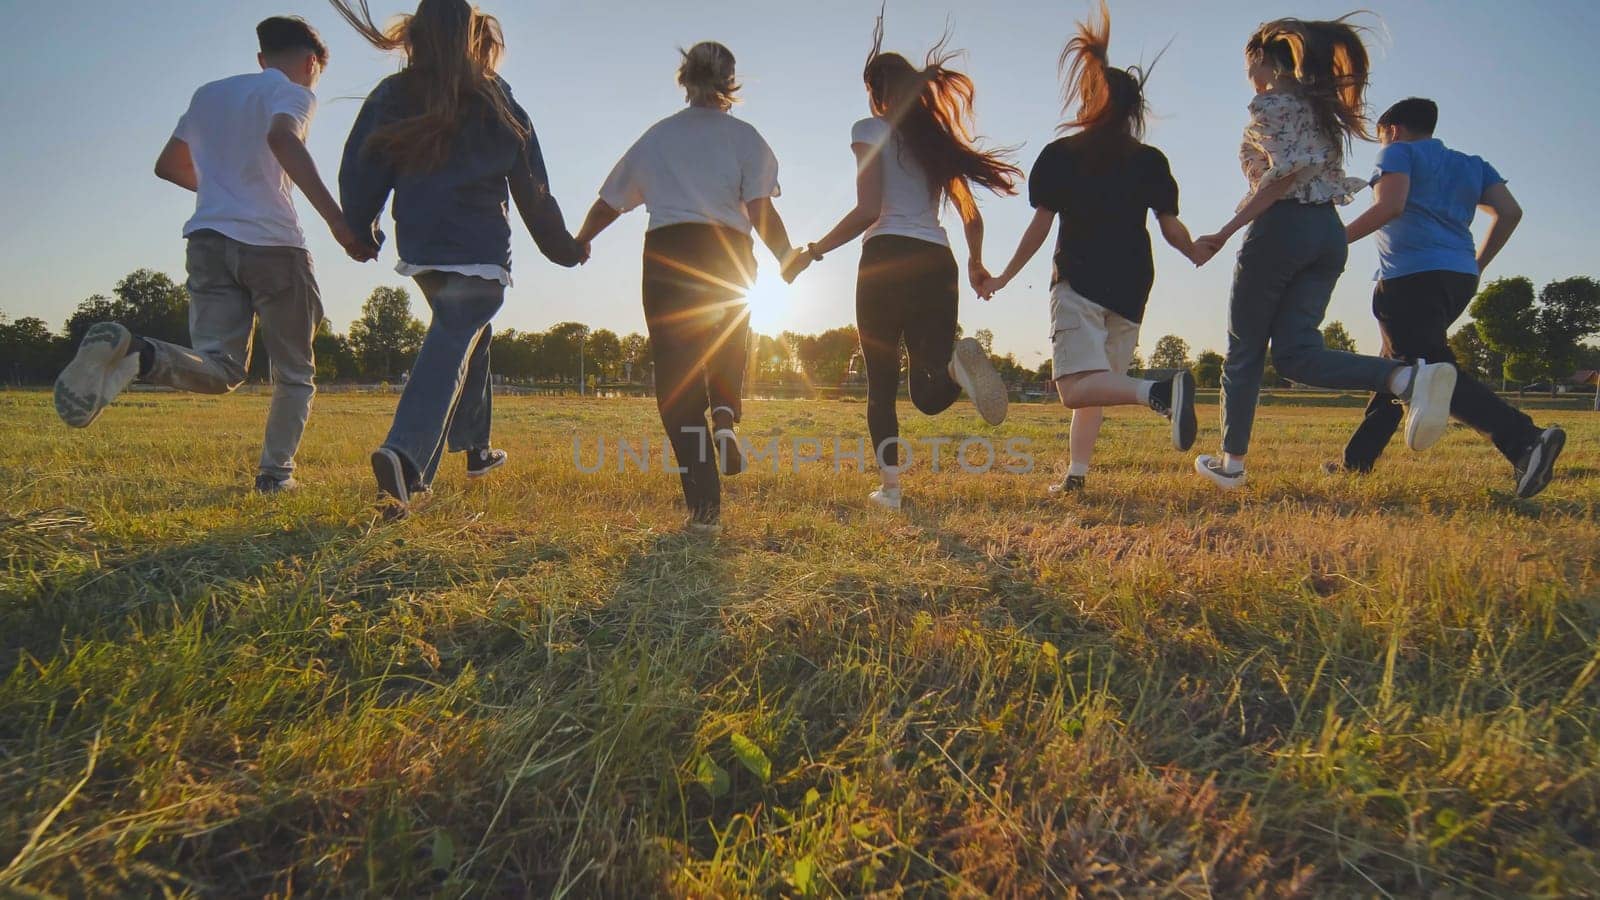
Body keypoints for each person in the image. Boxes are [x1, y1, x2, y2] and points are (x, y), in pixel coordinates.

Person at [53, 16, 374, 494]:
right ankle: (274, 475)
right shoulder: (294, 92)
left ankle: (141, 355)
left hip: (206, 241)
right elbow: (283, 139)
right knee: (295, 371)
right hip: (273, 246)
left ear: (262, 58)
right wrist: (339, 223)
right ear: (311, 63)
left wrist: (225, 190)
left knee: (222, 367)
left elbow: (169, 166)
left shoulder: (209, 94)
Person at [335, 0, 585, 517]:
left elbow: (362, 164)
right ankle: (405, 455)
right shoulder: (496, 98)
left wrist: (363, 226)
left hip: (422, 247)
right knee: (454, 335)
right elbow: (533, 186)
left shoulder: (394, 94)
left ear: (417, 36)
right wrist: (564, 247)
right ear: (476, 38)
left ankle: (475, 448)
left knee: (470, 332)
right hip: (480, 250)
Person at [1188, 17, 1457, 491]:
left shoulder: (1270, 103)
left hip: (1282, 228)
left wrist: (1228, 229)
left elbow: (1286, 176)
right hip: (1328, 235)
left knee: (1245, 350)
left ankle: (1231, 465)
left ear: (1264, 62)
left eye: (1249, 66)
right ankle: (1406, 380)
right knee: (1295, 355)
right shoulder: (1323, 109)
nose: (1249, 77)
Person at [789, 17, 1020, 512]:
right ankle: (958, 370)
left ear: (877, 92)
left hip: (886, 260)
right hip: (937, 263)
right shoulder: (936, 141)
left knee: (882, 384)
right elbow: (971, 215)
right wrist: (977, 264)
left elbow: (869, 209)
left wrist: (813, 250)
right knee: (929, 391)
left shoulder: (868, 129)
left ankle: (891, 490)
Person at [573, 41, 802, 535]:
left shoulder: (658, 138)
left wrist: (581, 240)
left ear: (684, 78)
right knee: (728, 337)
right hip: (727, 250)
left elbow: (610, 201)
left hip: (668, 254)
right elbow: (761, 209)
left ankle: (704, 512)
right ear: (730, 83)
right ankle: (724, 413)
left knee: (676, 382)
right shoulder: (746, 138)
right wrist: (785, 256)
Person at [981, 2, 1201, 495]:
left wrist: (1004, 277)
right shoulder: (1151, 160)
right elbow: (1171, 227)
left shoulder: (1062, 155)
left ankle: (1161, 392)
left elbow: (1040, 227)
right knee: (1097, 385)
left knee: (1073, 388)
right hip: (1132, 283)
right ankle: (1076, 476)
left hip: (1080, 278)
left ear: (1091, 102)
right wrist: (1195, 251)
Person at [1334, 98, 1564, 497]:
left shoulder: (1398, 152)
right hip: (1457, 276)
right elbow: (1509, 212)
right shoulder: (1472, 164)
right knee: (1397, 365)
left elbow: (1391, 205)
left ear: (1393, 130)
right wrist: (1478, 263)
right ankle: (1357, 463)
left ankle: (1526, 441)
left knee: (1427, 376)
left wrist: (1333, 242)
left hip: (1410, 277)